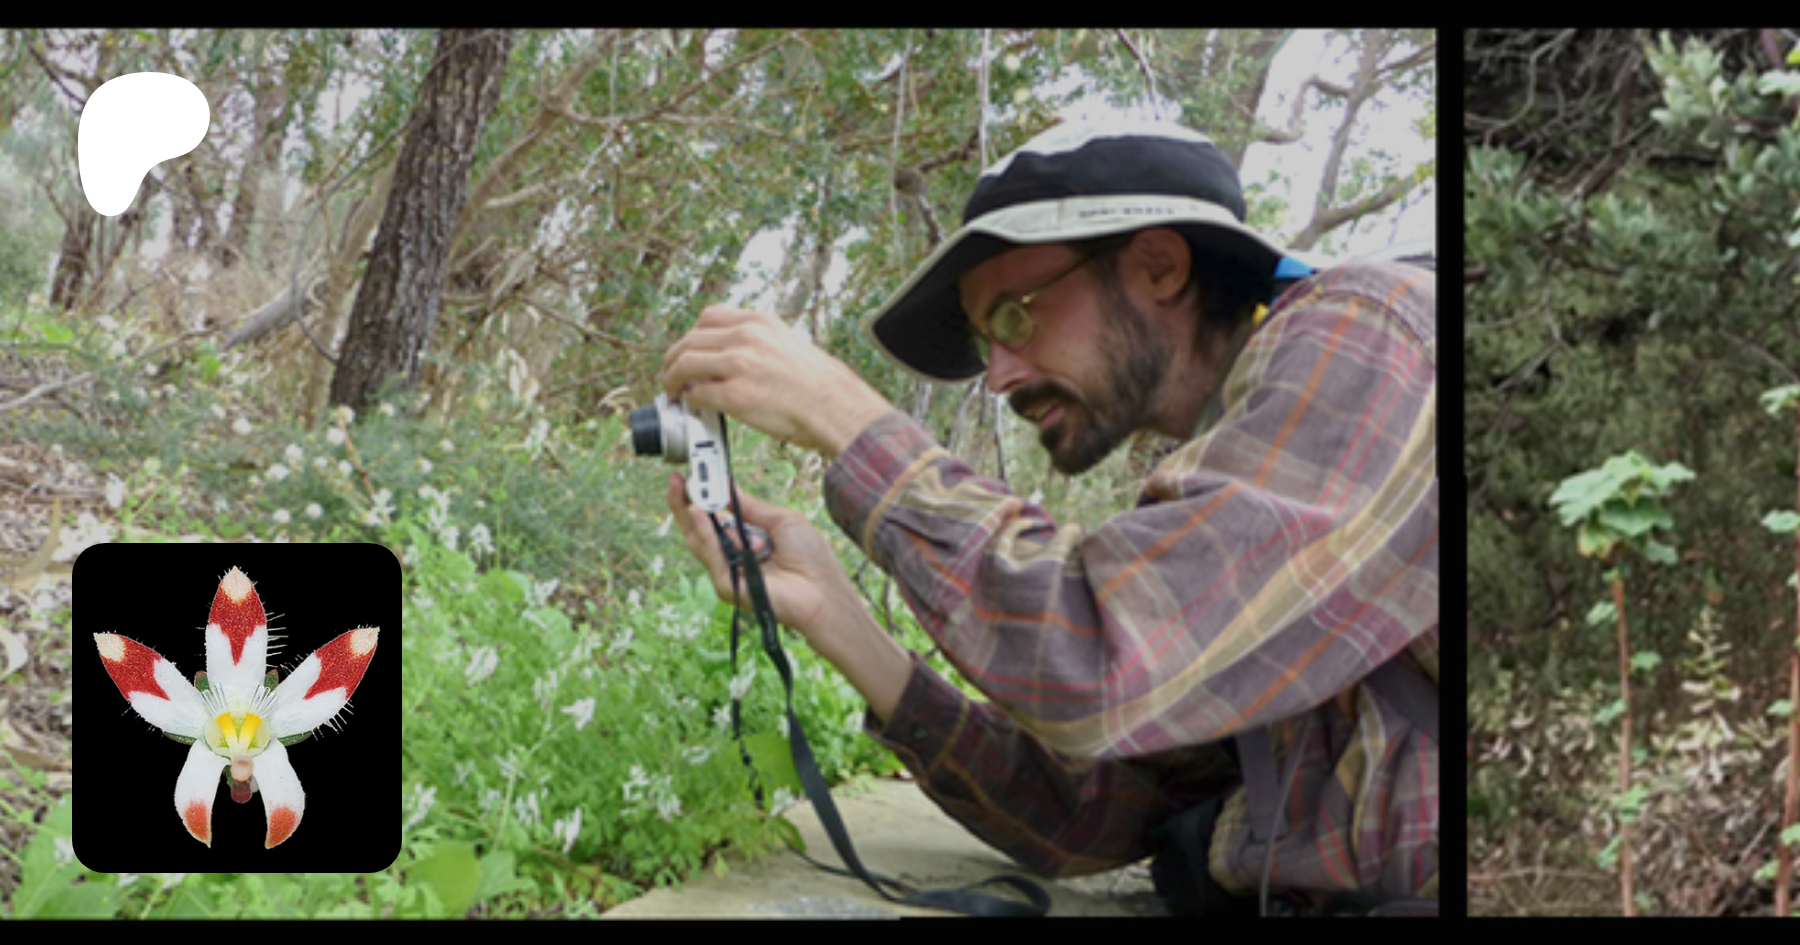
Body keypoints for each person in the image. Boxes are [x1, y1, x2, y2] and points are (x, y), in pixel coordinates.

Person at [659, 118, 1437, 915]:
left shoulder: (1373, 333)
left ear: (1160, 265)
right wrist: (834, 613)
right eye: (984, 338)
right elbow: (1095, 810)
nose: (998, 375)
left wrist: (844, 416)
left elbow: (1097, 664)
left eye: (1014, 318)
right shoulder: (1229, 470)